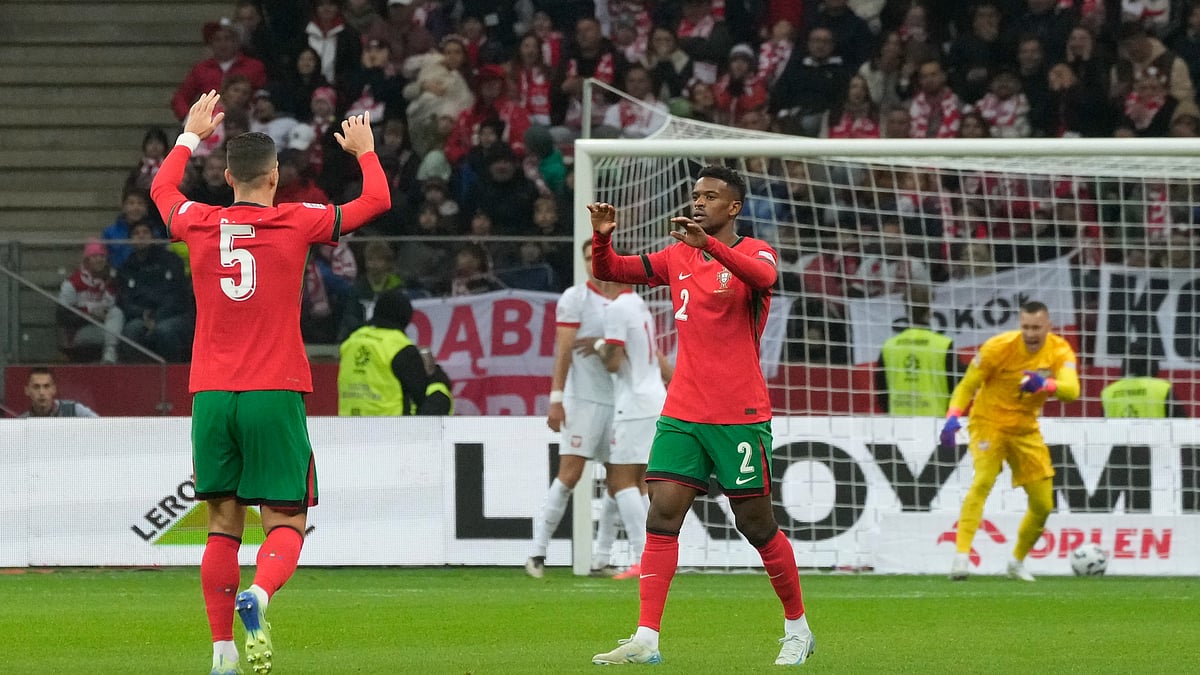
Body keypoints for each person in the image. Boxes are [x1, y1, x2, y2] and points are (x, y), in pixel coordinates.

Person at [150, 90, 390, 675]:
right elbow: (377, 200)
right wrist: (365, 151)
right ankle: (258, 594)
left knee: (222, 525)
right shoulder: (299, 220)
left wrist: (188, 134)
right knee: (286, 521)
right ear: (276, 176)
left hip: (211, 393)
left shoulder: (200, 222)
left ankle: (221, 652)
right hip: (273, 390)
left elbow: (162, 192)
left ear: (228, 175)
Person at [587, 165, 815, 667]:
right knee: (662, 515)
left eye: (710, 197)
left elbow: (765, 278)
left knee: (755, 524)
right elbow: (612, 271)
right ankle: (647, 637)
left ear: (733, 208)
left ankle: (797, 628)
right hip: (682, 412)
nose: (698, 203)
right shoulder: (676, 256)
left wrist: (709, 246)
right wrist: (603, 240)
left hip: (739, 414)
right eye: (695, 195)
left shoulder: (754, 252)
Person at [941, 301, 1080, 583]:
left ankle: (1016, 562)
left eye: (1036, 328)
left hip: (1025, 429)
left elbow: (1072, 391)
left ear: (1048, 327)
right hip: (988, 423)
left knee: (1043, 504)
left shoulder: (1059, 350)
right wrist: (953, 416)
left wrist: (1046, 385)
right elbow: (967, 385)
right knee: (982, 482)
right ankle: (961, 557)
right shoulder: (997, 347)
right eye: (1026, 327)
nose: (1030, 333)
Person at [527, 240, 623, 579]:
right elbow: (564, 351)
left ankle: (602, 556)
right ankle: (537, 553)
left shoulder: (626, 300)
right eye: (587, 258)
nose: (592, 263)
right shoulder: (575, 299)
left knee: (619, 481)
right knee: (570, 474)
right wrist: (556, 399)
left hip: (619, 401)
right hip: (582, 400)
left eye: (596, 257)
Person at [595, 276, 668, 581]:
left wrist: (599, 347)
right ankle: (619, 555)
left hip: (633, 403)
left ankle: (644, 557)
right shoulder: (638, 304)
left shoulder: (615, 309)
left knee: (620, 480)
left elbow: (612, 363)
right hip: (653, 398)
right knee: (638, 483)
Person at [336, 288, 453, 416]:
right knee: (439, 390)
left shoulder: (351, 341)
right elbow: (420, 395)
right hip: (391, 429)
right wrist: (435, 374)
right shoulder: (400, 347)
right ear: (406, 318)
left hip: (348, 427)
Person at [875, 298, 959, 415]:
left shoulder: (890, 346)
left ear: (906, 310)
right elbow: (956, 386)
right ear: (930, 311)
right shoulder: (943, 344)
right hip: (934, 421)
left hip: (898, 421)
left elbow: (881, 390)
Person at [57, 239, 125, 364]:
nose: (99, 260)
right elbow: (62, 316)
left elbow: (117, 306)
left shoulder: (111, 281)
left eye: (102, 256)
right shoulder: (73, 283)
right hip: (81, 330)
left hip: (108, 326)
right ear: (87, 260)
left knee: (116, 313)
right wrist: (89, 316)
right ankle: (109, 353)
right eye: (94, 256)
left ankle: (110, 354)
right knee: (119, 334)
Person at [1101, 341, 1188, 418]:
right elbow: (1181, 425)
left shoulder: (1109, 392)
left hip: (1121, 436)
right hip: (1155, 436)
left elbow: (1101, 428)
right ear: (1152, 362)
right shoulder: (1162, 389)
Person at [20, 367, 99, 418]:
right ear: (27, 391)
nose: (41, 392)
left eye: (46, 386)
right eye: (36, 387)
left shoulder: (74, 411)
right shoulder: (21, 422)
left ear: (54, 389)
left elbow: (102, 429)